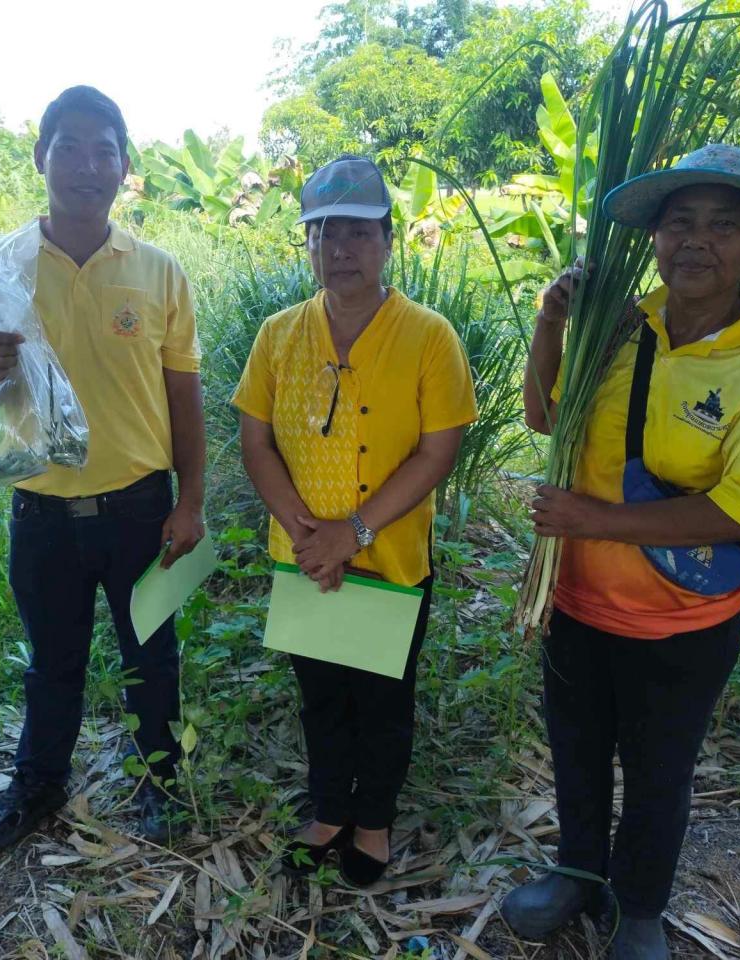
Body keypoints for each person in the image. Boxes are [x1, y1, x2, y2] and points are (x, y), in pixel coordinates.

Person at [502, 144, 740, 959]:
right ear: (655, 237)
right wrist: (551, 322)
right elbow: (545, 417)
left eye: (723, 225)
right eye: (680, 223)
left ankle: (638, 909)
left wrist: (590, 518)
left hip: (684, 621)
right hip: (578, 603)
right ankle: (577, 874)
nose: (696, 242)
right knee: (574, 753)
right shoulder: (620, 324)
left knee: (658, 770)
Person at [0, 86, 206, 848]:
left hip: (140, 507)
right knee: (52, 664)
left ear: (125, 168)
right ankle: (38, 787)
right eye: (70, 148)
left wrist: (190, 501)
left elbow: (183, 395)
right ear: (42, 158)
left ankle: (161, 780)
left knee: (153, 655)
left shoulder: (159, 271)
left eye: (105, 151)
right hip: (42, 510)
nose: (87, 166)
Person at [233, 155, 478, 887]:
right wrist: (309, 534)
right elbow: (257, 441)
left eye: (359, 233)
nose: (340, 249)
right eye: (325, 233)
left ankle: (372, 822)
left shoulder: (430, 336)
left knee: (382, 701)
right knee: (321, 696)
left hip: (389, 558)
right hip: (304, 556)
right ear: (308, 242)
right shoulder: (279, 335)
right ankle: (329, 810)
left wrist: (355, 532)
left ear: (388, 239)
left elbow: (440, 450)